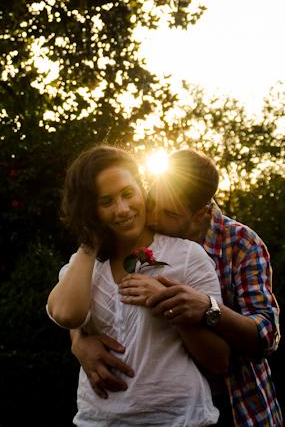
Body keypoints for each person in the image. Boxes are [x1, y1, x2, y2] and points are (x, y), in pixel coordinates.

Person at [72, 149, 282, 426]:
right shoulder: (134, 240)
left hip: (235, 401)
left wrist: (208, 308)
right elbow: (97, 292)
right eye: (152, 201)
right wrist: (78, 340)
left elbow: (266, 336)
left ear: (200, 215)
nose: (153, 216)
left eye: (169, 212)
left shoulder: (241, 243)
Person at [47, 145, 229, 426]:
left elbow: (219, 360)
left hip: (181, 419)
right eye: (105, 202)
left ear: (141, 187)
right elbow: (67, 315)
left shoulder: (188, 256)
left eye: (128, 194)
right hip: (99, 420)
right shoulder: (84, 264)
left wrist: (170, 305)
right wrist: (89, 242)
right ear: (90, 209)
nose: (122, 210)